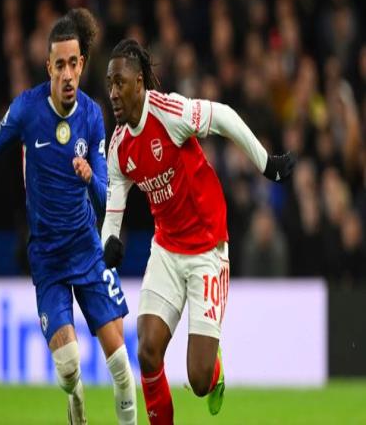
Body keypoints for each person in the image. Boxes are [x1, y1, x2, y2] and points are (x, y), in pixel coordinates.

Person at [0, 10, 136, 425]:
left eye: (74, 64)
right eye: (60, 65)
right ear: (48, 67)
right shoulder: (27, 109)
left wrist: (90, 178)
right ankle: (75, 399)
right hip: (48, 257)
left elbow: (106, 197)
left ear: (82, 64)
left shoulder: (93, 116)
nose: (68, 74)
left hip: (87, 249)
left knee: (122, 367)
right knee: (68, 367)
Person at [102, 39, 295, 424]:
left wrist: (266, 164)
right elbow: (114, 206)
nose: (113, 93)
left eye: (120, 83)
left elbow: (223, 116)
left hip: (207, 247)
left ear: (139, 83)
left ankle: (215, 370)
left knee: (199, 379)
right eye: (109, 84)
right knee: (147, 350)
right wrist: (109, 240)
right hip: (166, 249)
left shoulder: (169, 113)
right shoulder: (119, 147)